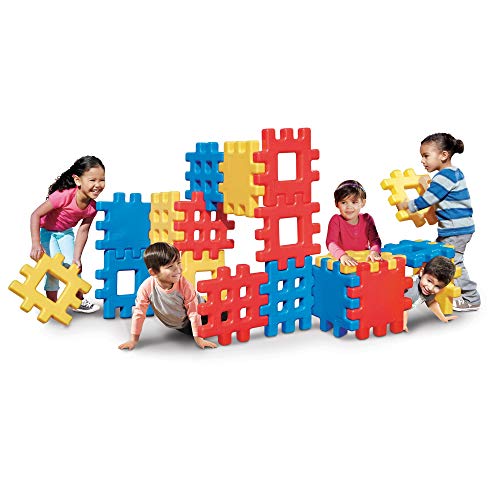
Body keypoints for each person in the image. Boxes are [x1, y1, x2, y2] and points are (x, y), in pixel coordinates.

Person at [398, 133, 480, 312]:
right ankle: (431, 290)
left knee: (452, 263)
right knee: (437, 259)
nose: (422, 160)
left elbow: (428, 199)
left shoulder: (444, 176)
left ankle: (471, 298)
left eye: (426, 156)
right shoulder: (453, 174)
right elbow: (439, 199)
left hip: (456, 230)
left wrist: (407, 206)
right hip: (457, 229)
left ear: (443, 155)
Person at [30, 155, 106, 313]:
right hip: (48, 233)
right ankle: (52, 304)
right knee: (53, 268)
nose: (98, 185)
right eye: (92, 180)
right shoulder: (64, 195)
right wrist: (36, 244)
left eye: (102, 180)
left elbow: (83, 230)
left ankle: (78, 301)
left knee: (74, 267)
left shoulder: (93, 207)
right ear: (78, 180)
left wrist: (77, 257)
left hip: (66, 233)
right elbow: (35, 215)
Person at [118, 242, 218, 350]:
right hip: (182, 324)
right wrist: (133, 340)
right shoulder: (146, 288)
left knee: (221, 317)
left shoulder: (184, 285)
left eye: (178, 263)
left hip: (203, 311)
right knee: (195, 332)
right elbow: (139, 313)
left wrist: (198, 338)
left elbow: (194, 312)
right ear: (154, 272)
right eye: (170, 266)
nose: (178, 269)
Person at [326, 179, 382, 266]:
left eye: (354, 202)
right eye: (343, 202)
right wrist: (342, 255)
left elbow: (375, 240)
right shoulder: (336, 220)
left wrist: (374, 251)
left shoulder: (367, 219)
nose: (349, 207)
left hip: (363, 261)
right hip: (342, 262)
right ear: (336, 204)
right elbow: (331, 243)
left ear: (363, 203)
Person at [403, 255, 457, 331]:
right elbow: (402, 308)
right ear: (421, 272)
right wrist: (403, 325)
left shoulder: (428, 290)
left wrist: (442, 317)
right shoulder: (411, 289)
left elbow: (431, 302)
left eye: (438, 286)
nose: (430, 288)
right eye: (429, 281)